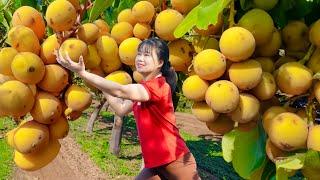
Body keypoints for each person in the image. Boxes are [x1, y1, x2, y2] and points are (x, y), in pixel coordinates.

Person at [55, 38, 200, 180]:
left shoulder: (159, 86)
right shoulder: (144, 88)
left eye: (147, 55)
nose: (140, 58)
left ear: (160, 63)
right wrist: (100, 81)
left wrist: (83, 73)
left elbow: (120, 91)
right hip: (156, 163)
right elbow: (121, 108)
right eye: (139, 54)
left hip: (175, 160)